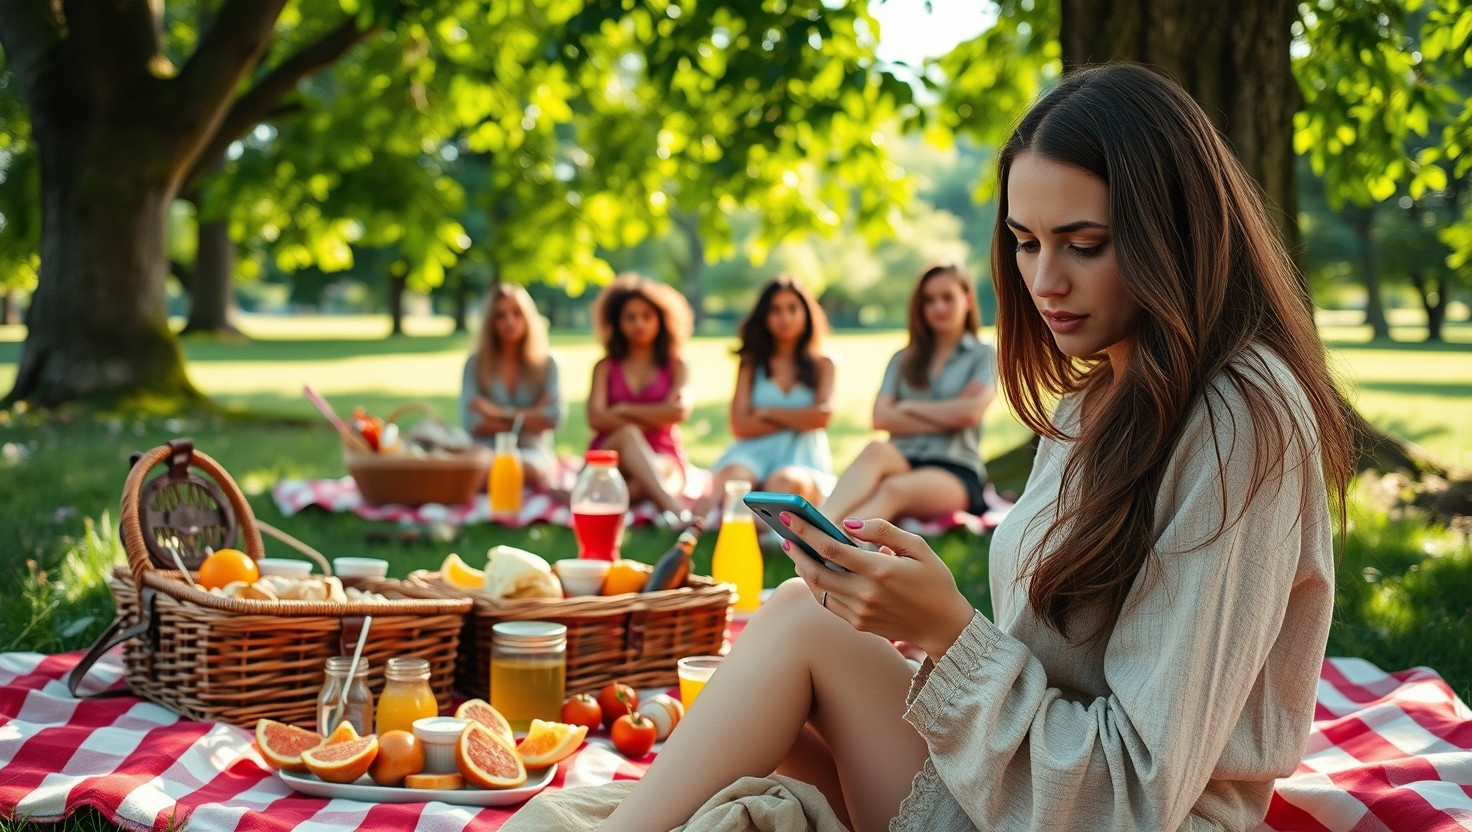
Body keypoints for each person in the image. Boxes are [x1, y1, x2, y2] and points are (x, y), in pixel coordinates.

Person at [587, 63, 1354, 832]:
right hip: (1031, 785)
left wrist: (948, 633)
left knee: (792, 634)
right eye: (1024, 243)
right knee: (780, 671)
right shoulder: (1097, 398)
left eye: (1084, 244)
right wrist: (921, 634)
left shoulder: (1239, 418)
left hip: (1103, 815)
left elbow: (1133, 798)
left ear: (1175, 232)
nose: (1043, 280)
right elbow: (1058, 666)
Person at [818, 262, 996, 525]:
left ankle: (838, 543)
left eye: (947, 298)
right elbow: (881, 418)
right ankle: (818, 524)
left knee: (893, 489)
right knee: (876, 449)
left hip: (955, 471)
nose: (938, 307)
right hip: (901, 458)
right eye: (929, 300)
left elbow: (969, 415)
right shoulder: (902, 359)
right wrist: (951, 409)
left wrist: (908, 408)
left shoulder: (984, 356)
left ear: (968, 300)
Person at [698, 275, 837, 518]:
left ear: (806, 313)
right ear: (764, 316)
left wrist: (768, 412)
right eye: (775, 310)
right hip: (751, 453)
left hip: (801, 456)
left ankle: (757, 526)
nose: (785, 318)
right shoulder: (751, 363)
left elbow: (822, 417)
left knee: (785, 485)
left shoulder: (824, 364)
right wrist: (800, 418)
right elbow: (740, 424)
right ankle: (708, 523)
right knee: (733, 480)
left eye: (792, 309)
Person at [586, 273, 696, 523]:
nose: (639, 324)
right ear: (616, 322)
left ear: (662, 319)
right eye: (630, 317)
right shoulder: (604, 367)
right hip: (612, 451)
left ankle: (639, 496)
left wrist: (623, 410)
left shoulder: (677, 365)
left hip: (663, 454)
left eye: (647, 316)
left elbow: (679, 411)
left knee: (652, 479)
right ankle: (674, 509)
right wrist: (654, 415)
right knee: (628, 434)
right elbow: (595, 418)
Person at [458, 283, 564, 489]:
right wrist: (532, 414)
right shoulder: (475, 364)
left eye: (517, 313)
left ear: (528, 317)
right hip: (487, 449)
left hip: (533, 451)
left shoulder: (548, 364)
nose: (510, 322)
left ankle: (497, 483)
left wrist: (497, 412)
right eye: (501, 316)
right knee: (483, 467)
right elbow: (472, 422)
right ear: (490, 322)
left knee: (528, 469)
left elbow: (553, 418)